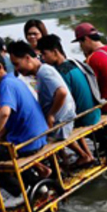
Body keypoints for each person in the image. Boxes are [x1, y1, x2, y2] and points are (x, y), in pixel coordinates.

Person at [0, 49, 51, 200]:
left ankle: (20, 192)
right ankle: (39, 181)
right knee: (0, 151)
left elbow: (4, 113)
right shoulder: (14, 80)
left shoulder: (6, 84)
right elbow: (14, 117)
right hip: (36, 137)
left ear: (0, 67)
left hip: (27, 142)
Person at [8, 40, 94, 166]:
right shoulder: (38, 73)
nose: (17, 69)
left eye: (17, 64)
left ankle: (81, 156)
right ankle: (68, 158)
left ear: (27, 58)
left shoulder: (44, 72)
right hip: (61, 116)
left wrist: (51, 114)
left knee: (43, 136)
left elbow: (62, 92)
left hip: (62, 118)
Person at [37, 34, 101, 162]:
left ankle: (80, 157)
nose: (43, 59)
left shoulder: (60, 73)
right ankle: (85, 155)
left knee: (54, 124)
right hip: (94, 111)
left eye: (44, 54)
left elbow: (66, 101)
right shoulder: (73, 63)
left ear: (55, 52)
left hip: (85, 117)